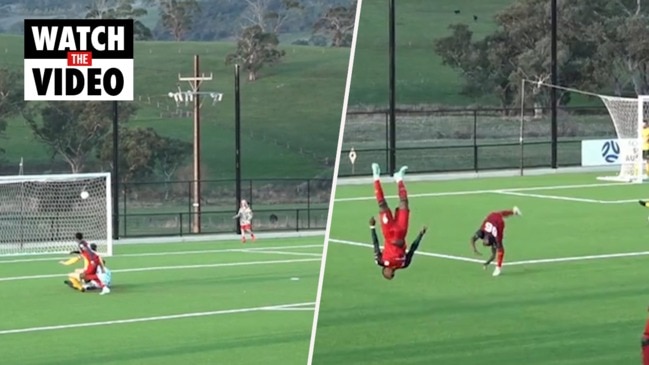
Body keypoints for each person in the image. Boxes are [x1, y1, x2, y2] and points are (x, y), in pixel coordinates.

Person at [370, 162, 412, 279]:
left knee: (382, 205)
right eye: (392, 275)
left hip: (389, 232)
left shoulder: (381, 261)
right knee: (404, 202)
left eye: (389, 275)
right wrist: (421, 234)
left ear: (384, 272)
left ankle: (376, 176)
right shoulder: (403, 264)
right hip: (402, 231)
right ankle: (399, 178)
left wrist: (372, 228)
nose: (392, 274)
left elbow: (376, 245)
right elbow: (412, 250)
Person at [470, 207, 522, 277]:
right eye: (486, 242)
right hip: (499, 225)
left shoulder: (481, 233)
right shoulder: (496, 238)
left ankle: (513, 211)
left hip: (492, 217)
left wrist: (474, 249)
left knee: (499, 214)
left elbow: (472, 239)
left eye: (484, 241)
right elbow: (494, 255)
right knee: (500, 247)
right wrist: (487, 263)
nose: (485, 240)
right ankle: (498, 267)